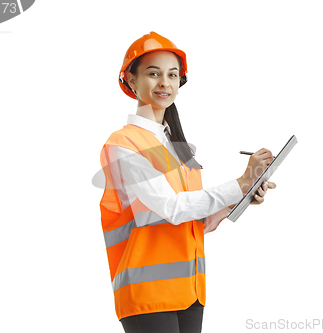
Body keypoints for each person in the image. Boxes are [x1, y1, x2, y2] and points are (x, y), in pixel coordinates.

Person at [99, 31, 277, 333]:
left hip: (190, 290)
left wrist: (240, 196)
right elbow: (171, 208)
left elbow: (195, 220)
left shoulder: (176, 145)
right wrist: (239, 182)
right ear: (131, 80)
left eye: (172, 75)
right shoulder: (123, 143)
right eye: (153, 74)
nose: (164, 83)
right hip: (147, 294)